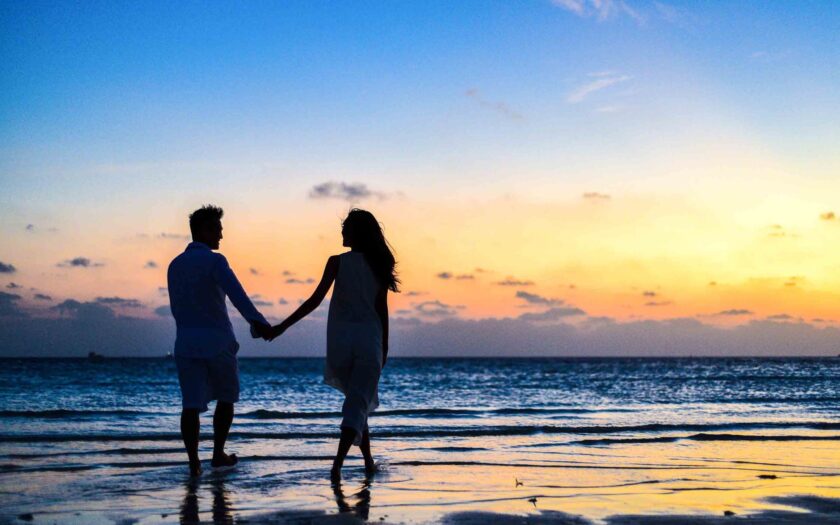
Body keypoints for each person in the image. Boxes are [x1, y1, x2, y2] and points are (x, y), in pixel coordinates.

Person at [269, 208, 398, 480]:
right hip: (369, 342)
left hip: (341, 344)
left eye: (345, 228)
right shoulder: (378, 263)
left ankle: (368, 463)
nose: (341, 232)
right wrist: (385, 347)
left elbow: (314, 301)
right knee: (356, 404)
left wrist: (282, 327)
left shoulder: (336, 262)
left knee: (358, 402)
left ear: (356, 233)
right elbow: (381, 309)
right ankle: (337, 466)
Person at [167, 204, 273, 477]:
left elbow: (177, 306)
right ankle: (217, 453)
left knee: (190, 405)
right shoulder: (216, 261)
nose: (221, 236)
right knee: (226, 398)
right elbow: (237, 295)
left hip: (186, 343)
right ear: (203, 230)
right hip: (217, 341)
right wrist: (259, 323)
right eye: (217, 229)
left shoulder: (174, 265)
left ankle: (193, 463)